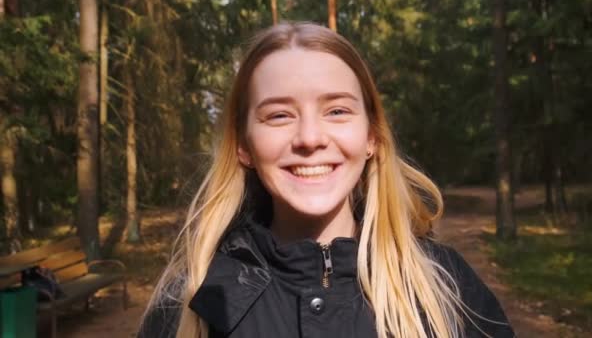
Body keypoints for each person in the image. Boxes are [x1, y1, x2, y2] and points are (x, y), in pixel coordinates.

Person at [138, 22, 514, 338]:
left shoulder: (446, 286)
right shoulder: (190, 304)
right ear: (244, 146)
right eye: (280, 115)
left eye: (336, 110)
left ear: (372, 137)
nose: (310, 138)